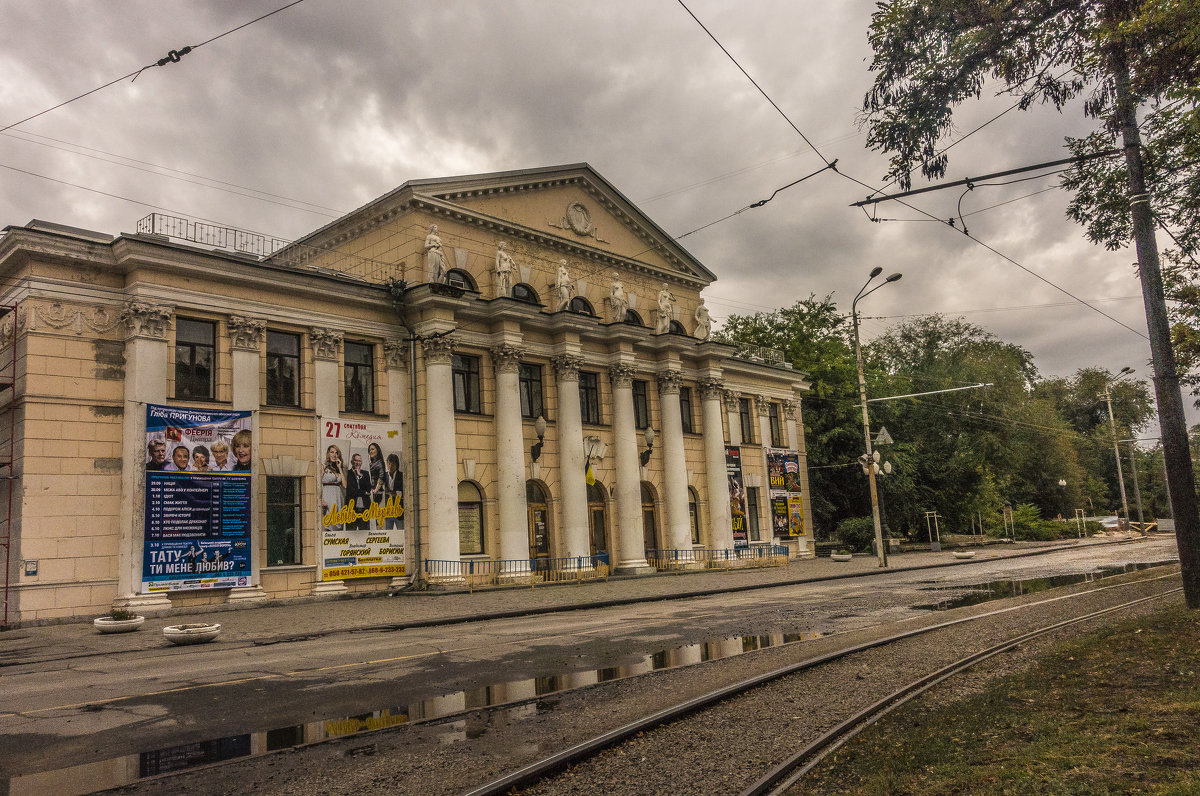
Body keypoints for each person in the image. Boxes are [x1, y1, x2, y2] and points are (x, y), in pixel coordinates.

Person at [320, 444, 346, 530]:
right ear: (328, 454)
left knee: (338, 524)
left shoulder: (339, 468)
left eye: (336, 453)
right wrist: (321, 499)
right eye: (332, 452)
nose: (334, 455)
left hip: (338, 498)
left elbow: (345, 485)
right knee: (328, 523)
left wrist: (340, 468)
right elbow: (317, 483)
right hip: (327, 496)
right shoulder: (323, 466)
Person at [345, 453, 373, 531]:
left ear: (362, 462)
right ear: (351, 462)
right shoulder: (347, 474)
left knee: (365, 533)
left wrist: (360, 475)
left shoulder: (365, 474)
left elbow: (368, 489)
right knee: (350, 533)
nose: (358, 463)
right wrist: (364, 493)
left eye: (359, 461)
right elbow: (351, 491)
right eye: (356, 460)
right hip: (351, 509)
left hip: (364, 509)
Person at [379, 453, 403, 531]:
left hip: (399, 512)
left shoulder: (402, 476)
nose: (390, 466)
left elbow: (405, 492)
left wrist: (394, 493)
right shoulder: (383, 476)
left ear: (397, 464)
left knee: (401, 533)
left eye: (393, 463)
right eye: (389, 463)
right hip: (387, 512)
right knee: (387, 534)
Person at [366, 442, 386, 528]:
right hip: (371, 492)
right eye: (370, 450)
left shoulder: (380, 462)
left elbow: (381, 477)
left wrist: (375, 490)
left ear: (377, 450)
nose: (371, 451)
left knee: (376, 517)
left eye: (373, 449)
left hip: (376, 493)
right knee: (372, 517)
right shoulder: (370, 463)